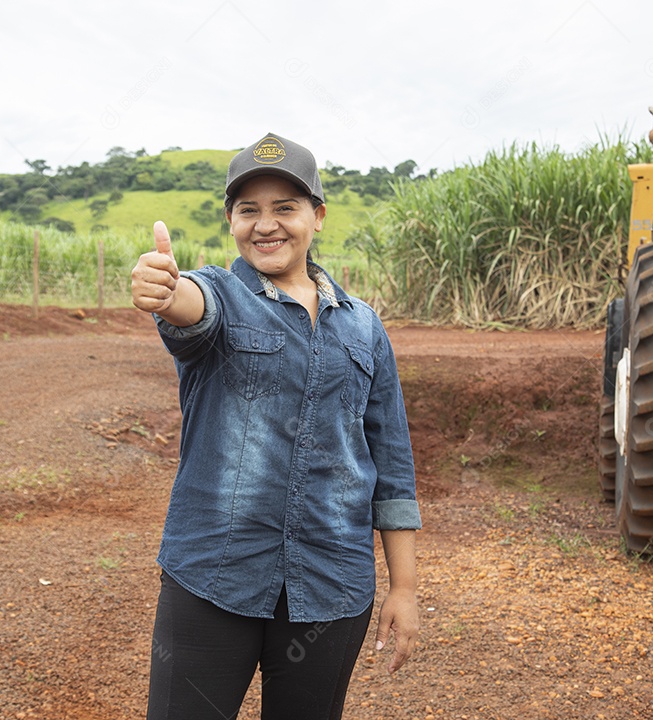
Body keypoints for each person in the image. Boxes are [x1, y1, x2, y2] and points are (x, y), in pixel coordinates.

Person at [131, 132, 421, 720]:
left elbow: (391, 464)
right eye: (249, 210)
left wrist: (404, 588)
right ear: (231, 221)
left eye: (285, 208)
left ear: (317, 216)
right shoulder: (221, 293)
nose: (266, 225)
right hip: (214, 574)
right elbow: (192, 310)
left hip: (332, 584)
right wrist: (166, 290)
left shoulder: (364, 328)